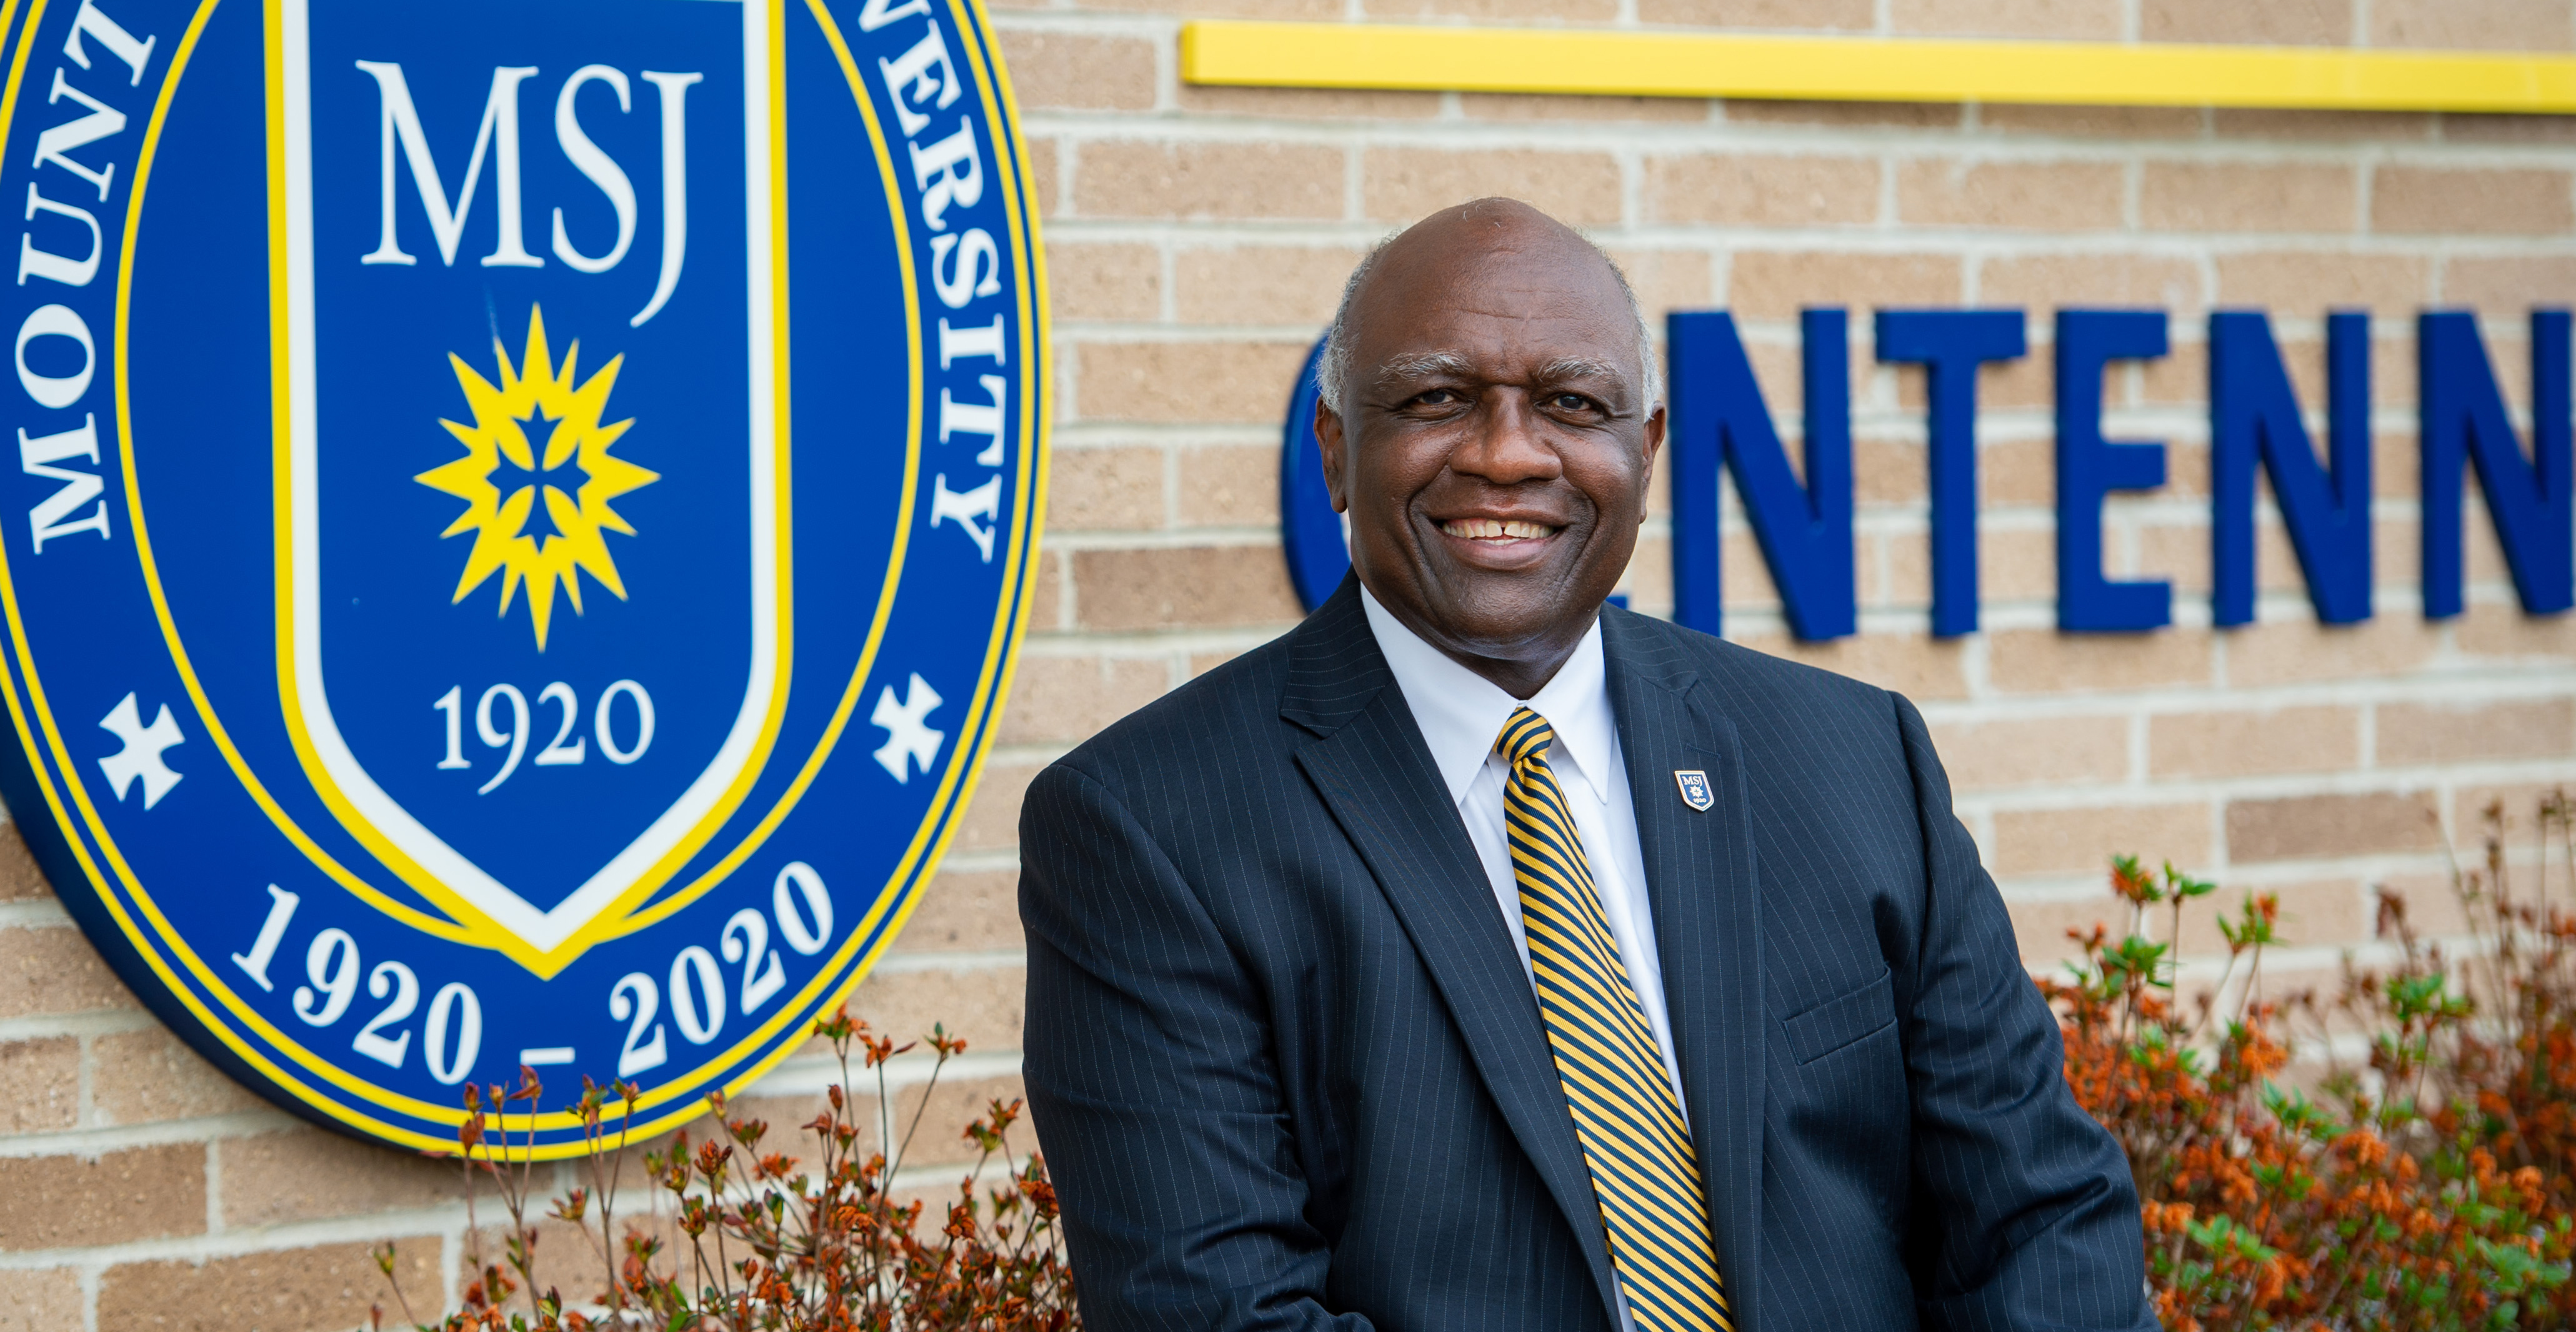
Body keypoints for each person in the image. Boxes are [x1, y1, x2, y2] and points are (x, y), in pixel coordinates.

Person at [1017, 197, 2152, 1331]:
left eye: (1569, 402)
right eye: (1434, 399)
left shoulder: (1856, 760)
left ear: (1644, 454)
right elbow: (1218, 1313)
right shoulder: (1144, 831)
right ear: (1334, 452)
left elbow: (2040, 1218)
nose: (1507, 453)